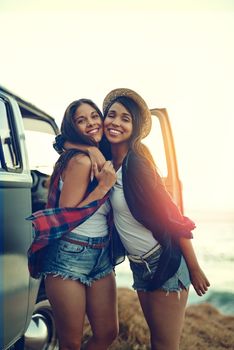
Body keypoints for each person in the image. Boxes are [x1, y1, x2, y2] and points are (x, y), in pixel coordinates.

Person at [54, 89, 210, 350]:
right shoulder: (106, 158)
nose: (115, 122)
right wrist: (87, 149)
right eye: (111, 115)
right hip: (141, 267)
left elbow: (174, 218)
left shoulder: (136, 165)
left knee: (164, 345)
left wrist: (194, 268)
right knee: (155, 342)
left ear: (134, 127)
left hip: (164, 262)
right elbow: (62, 141)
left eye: (125, 119)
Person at [27, 99, 118, 350]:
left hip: (100, 255)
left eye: (94, 116)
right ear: (73, 126)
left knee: (108, 332)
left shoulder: (100, 154)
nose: (90, 123)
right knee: (70, 343)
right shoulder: (81, 162)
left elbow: (59, 141)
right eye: (81, 120)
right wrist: (103, 186)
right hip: (69, 253)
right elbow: (69, 216)